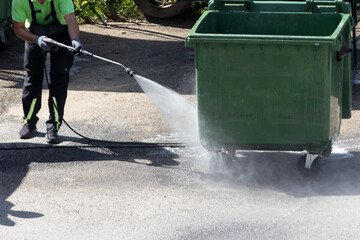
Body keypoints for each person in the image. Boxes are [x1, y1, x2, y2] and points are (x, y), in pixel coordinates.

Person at [12, 0, 83, 144]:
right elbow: (18, 28)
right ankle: (29, 122)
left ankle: (53, 125)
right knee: (33, 78)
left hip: (62, 34)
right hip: (33, 36)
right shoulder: (19, 1)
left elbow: (70, 19)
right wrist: (37, 40)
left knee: (59, 77)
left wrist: (75, 39)